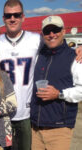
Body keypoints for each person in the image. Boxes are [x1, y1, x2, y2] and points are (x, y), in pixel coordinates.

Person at [0, 0, 42, 150]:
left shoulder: (35, 39)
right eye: (8, 15)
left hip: (25, 113)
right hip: (2, 113)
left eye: (16, 15)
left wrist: (76, 50)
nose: (12, 18)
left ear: (23, 17)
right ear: (3, 18)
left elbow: (57, 48)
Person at [30, 15, 82, 150]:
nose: (52, 34)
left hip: (59, 129)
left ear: (63, 31)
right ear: (42, 35)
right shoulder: (38, 55)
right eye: (47, 31)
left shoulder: (75, 58)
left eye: (56, 30)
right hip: (35, 128)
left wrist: (59, 94)